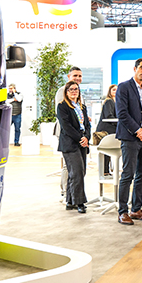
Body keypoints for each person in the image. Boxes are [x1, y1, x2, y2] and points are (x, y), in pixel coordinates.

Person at [115, 58, 142, 225]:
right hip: (130, 137)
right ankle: (122, 211)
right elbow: (122, 113)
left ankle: (136, 209)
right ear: (135, 69)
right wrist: (138, 130)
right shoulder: (124, 87)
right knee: (128, 174)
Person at [56, 81, 91, 214]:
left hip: (82, 142)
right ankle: (79, 202)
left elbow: (87, 125)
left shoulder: (82, 107)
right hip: (70, 143)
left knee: (80, 172)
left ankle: (70, 201)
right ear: (66, 92)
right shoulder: (62, 106)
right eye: (71, 89)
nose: (74, 91)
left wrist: (86, 137)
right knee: (76, 172)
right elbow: (66, 126)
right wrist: (80, 138)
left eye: (76, 89)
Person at [55, 66, 82, 200]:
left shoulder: (78, 91)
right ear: (68, 77)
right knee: (69, 165)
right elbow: (63, 114)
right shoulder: (63, 91)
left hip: (78, 133)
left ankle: (72, 194)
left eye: (80, 76)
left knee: (77, 167)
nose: (78, 78)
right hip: (66, 133)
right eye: (75, 75)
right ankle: (66, 192)